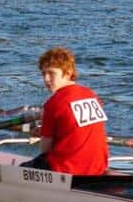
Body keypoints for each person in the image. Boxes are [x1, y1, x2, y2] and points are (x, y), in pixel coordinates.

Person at [29, 47, 109, 175]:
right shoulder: (90, 94)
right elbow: (76, 129)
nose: (46, 79)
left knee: (22, 168)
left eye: (51, 73)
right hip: (98, 168)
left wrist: (44, 134)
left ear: (68, 73)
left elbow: (45, 150)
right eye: (43, 74)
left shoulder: (53, 103)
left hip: (67, 170)